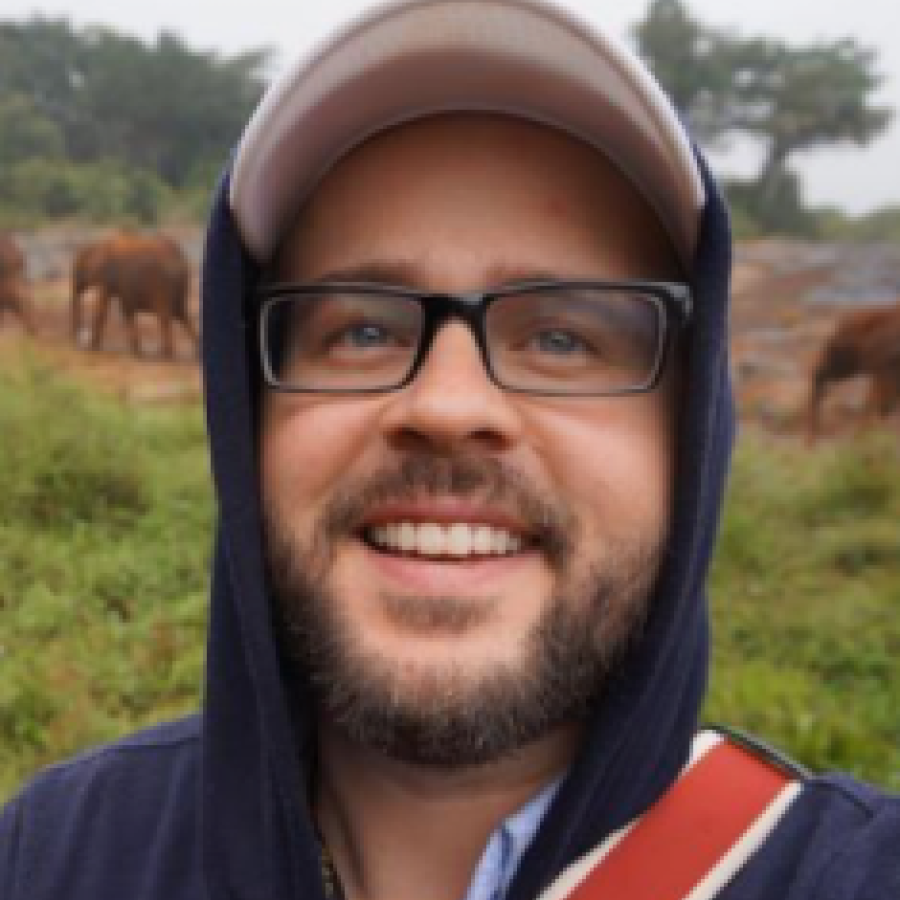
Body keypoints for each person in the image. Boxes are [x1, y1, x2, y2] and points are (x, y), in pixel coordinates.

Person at [2, 1, 897, 898]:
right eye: (359, 330)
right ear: (247, 414)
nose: (448, 405)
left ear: (692, 428)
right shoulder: (52, 855)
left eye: (563, 338)